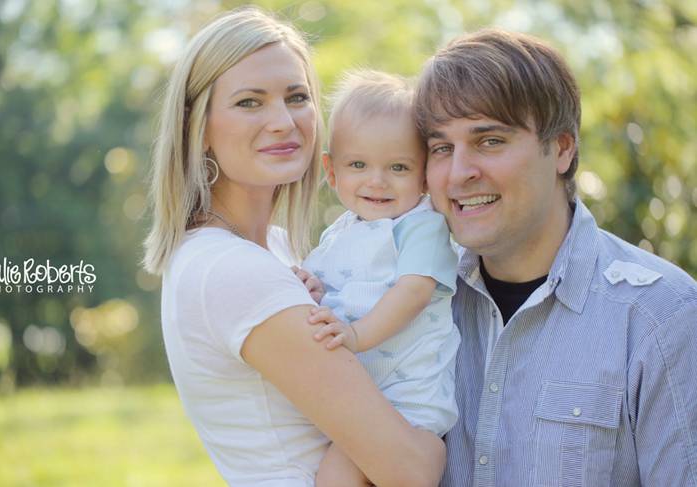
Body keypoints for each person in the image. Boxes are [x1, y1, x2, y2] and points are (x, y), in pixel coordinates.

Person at [142, 7, 445, 487]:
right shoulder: (229, 267)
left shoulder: (278, 251)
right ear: (197, 126)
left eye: (297, 96)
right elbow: (411, 469)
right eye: (249, 102)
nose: (283, 121)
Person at [415, 29, 697, 486]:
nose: (459, 173)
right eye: (441, 148)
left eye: (490, 141)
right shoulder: (417, 303)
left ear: (562, 148)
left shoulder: (661, 317)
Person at [299, 70, 460, 486]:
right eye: (358, 164)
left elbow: (413, 293)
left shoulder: (421, 225)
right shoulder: (340, 232)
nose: (377, 180)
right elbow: (332, 289)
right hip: (362, 397)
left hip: (408, 400)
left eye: (398, 167)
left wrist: (355, 337)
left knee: (336, 475)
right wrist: (313, 289)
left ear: (424, 175)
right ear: (332, 172)